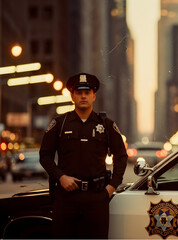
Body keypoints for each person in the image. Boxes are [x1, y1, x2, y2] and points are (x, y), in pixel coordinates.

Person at [39, 73, 128, 239]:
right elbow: (44, 155)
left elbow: (121, 156)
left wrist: (112, 187)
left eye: (87, 92)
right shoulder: (60, 124)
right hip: (66, 199)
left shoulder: (106, 125)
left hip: (97, 198)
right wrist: (61, 176)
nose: (83, 96)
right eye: (79, 93)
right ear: (72, 96)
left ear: (94, 96)